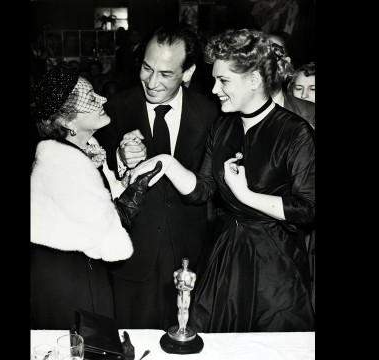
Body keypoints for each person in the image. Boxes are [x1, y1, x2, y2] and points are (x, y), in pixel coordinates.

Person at [130, 28, 315, 332]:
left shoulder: (296, 133)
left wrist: (246, 195)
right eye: (215, 79)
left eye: (223, 80)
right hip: (225, 254)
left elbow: (309, 209)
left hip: (274, 265)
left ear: (254, 80)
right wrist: (166, 162)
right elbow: (202, 190)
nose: (214, 89)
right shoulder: (222, 128)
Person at [94, 23, 219, 330]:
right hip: (132, 258)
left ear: (187, 73)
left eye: (165, 74)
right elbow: (98, 179)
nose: (151, 82)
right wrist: (122, 161)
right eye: (147, 68)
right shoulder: (115, 107)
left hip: (190, 260)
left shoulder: (211, 113)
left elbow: (210, 188)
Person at [29, 62, 162, 330]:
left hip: (79, 270)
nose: (102, 98)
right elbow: (109, 231)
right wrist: (138, 188)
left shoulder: (84, 149)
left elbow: (100, 198)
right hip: (67, 280)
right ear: (68, 121)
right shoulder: (64, 163)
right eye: (91, 98)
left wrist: (125, 167)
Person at [267, 34, 315, 129]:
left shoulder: (311, 112)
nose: (266, 62)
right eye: (298, 88)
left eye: (313, 89)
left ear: (286, 62)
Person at [173, 258, 196, 335]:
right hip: (180, 294)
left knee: (185, 310)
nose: (184, 265)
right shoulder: (176, 273)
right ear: (182, 263)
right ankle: (180, 327)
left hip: (187, 295)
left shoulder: (192, 274)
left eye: (186, 263)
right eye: (183, 263)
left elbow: (192, 287)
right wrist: (178, 286)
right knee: (180, 310)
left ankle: (184, 327)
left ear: (188, 264)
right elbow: (176, 285)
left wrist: (185, 285)